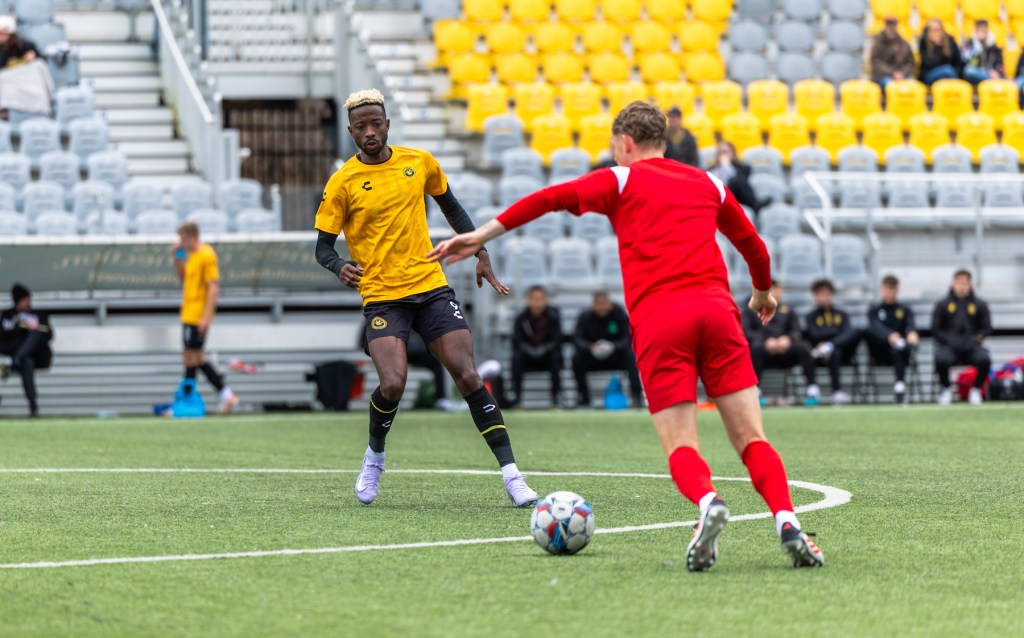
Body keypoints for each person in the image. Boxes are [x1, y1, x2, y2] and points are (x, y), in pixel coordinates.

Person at [430, 101, 824, 571]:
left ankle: (707, 503)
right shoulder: (708, 182)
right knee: (751, 437)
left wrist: (480, 235)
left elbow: (549, 198)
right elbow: (754, 248)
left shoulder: (621, 178)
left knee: (681, 445)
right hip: (719, 314)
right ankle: (787, 520)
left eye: (615, 148)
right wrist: (761, 294)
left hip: (661, 321)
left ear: (626, 143)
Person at [314, 88, 537, 507]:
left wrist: (481, 251)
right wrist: (336, 264)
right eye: (360, 126)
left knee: (468, 375)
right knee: (393, 384)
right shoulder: (342, 182)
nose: (369, 132)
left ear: (387, 125)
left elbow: (452, 209)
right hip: (382, 294)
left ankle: (513, 476)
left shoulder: (418, 162)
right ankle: (375, 456)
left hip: (430, 285)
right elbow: (322, 247)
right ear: (350, 132)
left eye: (375, 123)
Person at [172, 222, 238, 415]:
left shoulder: (207, 255)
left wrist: (206, 316)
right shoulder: (191, 256)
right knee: (193, 357)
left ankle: (190, 400)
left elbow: (213, 286)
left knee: (193, 357)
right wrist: (177, 258)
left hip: (198, 315)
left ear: (191, 236)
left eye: (182, 238)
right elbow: (184, 278)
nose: (180, 242)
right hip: (188, 313)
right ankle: (224, 396)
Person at [741, 280, 816, 405]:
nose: (778, 294)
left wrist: (787, 339)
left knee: (803, 347)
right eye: (775, 290)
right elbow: (746, 332)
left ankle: (812, 390)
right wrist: (765, 340)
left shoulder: (788, 310)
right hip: (763, 351)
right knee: (755, 348)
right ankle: (755, 391)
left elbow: (797, 330)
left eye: (780, 291)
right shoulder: (750, 310)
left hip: (785, 351)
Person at [571, 291, 643, 408]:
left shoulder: (618, 314)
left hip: (616, 356)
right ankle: (584, 398)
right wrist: (590, 347)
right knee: (576, 358)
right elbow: (578, 339)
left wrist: (614, 346)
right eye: (598, 304)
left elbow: (627, 337)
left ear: (610, 303)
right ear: (593, 304)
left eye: (604, 303)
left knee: (631, 356)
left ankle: (636, 397)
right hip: (592, 357)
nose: (602, 307)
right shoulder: (585, 317)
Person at [931, 270, 992, 406]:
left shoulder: (980, 305)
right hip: (950, 347)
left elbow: (986, 329)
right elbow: (936, 330)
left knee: (984, 359)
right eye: (959, 283)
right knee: (941, 359)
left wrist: (975, 340)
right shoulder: (942, 305)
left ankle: (975, 390)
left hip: (972, 347)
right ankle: (946, 389)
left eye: (965, 283)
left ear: (970, 284)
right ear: (953, 284)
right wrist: (949, 341)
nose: (961, 286)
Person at [803, 279, 862, 406]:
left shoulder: (842, 314)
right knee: (806, 351)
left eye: (826, 293)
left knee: (847, 340)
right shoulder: (811, 316)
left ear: (831, 295)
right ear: (815, 296)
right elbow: (813, 334)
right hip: (817, 353)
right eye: (820, 294)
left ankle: (837, 391)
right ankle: (812, 389)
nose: (823, 297)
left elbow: (848, 333)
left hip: (841, 353)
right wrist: (833, 334)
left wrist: (830, 344)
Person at [0, 284, 53, 417]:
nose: (29, 302)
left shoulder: (37, 315)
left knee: (34, 333)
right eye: (25, 299)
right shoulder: (7, 316)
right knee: (27, 363)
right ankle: (33, 405)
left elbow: (48, 333)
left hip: (39, 355)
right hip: (22, 358)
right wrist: (20, 328)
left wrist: (35, 327)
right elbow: (3, 340)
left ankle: (13, 364)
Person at [865, 275, 919, 404]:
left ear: (897, 290)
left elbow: (910, 326)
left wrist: (912, 333)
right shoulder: (874, 310)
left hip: (900, 352)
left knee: (899, 348)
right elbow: (875, 327)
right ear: (882, 290)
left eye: (893, 290)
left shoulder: (905, 310)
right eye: (887, 290)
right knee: (868, 332)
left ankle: (900, 385)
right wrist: (889, 336)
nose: (890, 293)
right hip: (880, 351)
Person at [510, 285, 563, 408]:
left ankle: (556, 398)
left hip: (547, 356)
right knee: (517, 357)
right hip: (527, 356)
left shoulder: (554, 317)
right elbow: (517, 340)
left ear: (546, 300)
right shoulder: (521, 318)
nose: (537, 302)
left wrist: (544, 349)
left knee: (555, 358)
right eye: (534, 298)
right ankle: (516, 398)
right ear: (528, 300)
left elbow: (557, 339)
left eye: (540, 298)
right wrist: (528, 349)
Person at [708, 141, 763, 213]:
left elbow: (742, 180)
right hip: (717, 194)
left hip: (735, 196)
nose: (723, 156)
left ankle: (754, 205)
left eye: (726, 152)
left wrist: (727, 166)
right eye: (721, 152)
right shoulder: (710, 169)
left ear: (733, 153)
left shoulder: (743, 168)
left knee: (736, 181)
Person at [870, 17, 915, 88]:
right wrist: (893, 73)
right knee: (890, 84)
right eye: (889, 25)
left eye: (893, 25)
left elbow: (910, 62)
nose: (891, 28)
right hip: (883, 76)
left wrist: (902, 73)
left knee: (912, 85)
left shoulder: (903, 43)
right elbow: (876, 63)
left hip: (902, 75)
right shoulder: (878, 42)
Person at [918, 19, 962, 86]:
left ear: (942, 30)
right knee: (947, 70)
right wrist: (937, 46)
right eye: (932, 30)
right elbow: (928, 64)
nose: (935, 33)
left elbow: (957, 61)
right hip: (929, 75)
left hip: (949, 75)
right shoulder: (924, 42)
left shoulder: (950, 41)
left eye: (937, 30)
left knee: (949, 71)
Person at [960, 20, 1005, 85]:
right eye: (980, 30)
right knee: (969, 70)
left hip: (990, 72)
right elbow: (970, 64)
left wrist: (996, 72)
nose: (982, 33)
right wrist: (978, 52)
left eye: (984, 31)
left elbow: (1000, 65)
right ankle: (990, 78)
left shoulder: (994, 48)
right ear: (976, 31)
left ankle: (991, 78)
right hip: (975, 75)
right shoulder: (969, 46)